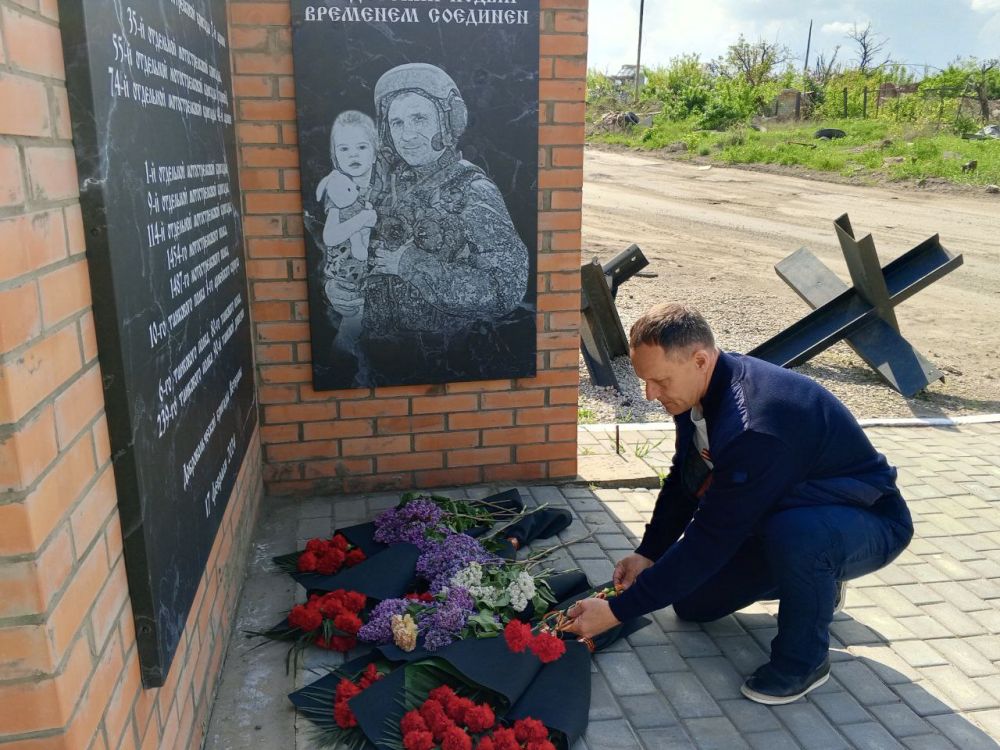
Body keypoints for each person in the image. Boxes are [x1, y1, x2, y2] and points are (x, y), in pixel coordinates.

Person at [563, 303, 913, 705]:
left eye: (659, 381)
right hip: (780, 510)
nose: (649, 394)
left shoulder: (751, 427)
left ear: (699, 360)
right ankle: (817, 585)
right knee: (693, 603)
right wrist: (649, 553)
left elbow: (711, 538)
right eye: (646, 381)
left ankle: (803, 662)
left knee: (796, 537)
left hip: (865, 520)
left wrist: (616, 612)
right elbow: (685, 479)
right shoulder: (696, 393)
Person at [327, 63, 531, 386]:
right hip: (374, 365)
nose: (407, 135)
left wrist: (410, 265)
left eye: (419, 119)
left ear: (449, 121)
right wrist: (338, 290)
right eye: (397, 123)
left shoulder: (472, 190)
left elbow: (504, 288)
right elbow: (354, 252)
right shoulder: (381, 186)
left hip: (442, 366)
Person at [315, 111, 379, 380]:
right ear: (335, 155)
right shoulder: (337, 190)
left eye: (361, 147)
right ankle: (338, 368)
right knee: (351, 329)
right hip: (350, 278)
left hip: (382, 285)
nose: (353, 154)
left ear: (375, 152)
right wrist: (329, 285)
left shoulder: (389, 186)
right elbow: (327, 242)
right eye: (344, 149)